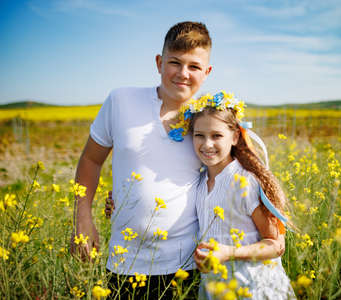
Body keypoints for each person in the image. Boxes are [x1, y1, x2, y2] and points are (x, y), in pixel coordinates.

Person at [71, 21, 213, 299]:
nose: (183, 74)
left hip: (186, 265)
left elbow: (230, 179)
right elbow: (90, 160)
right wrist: (83, 218)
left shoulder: (209, 118)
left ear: (207, 72)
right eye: (175, 62)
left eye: (194, 67)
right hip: (125, 263)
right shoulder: (121, 100)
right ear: (159, 63)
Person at [175, 92, 296, 299]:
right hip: (218, 289)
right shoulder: (199, 183)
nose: (207, 144)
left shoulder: (246, 181)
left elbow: (276, 245)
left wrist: (228, 253)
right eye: (199, 135)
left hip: (255, 289)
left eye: (217, 136)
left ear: (235, 137)